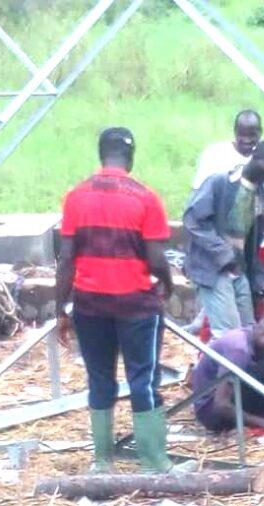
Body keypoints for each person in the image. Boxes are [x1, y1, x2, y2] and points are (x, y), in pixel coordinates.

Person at [56, 127, 193, 474]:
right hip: (135, 305)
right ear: (130, 158)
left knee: (99, 380)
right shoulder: (146, 198)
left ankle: (102, 462)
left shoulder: (75, 197)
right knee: (142, 379)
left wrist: (60, 307)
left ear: (101, 155)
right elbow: (157, 258)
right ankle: (154, 463)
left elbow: (67, 259)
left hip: (90, 304)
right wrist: (167, 284)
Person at [183, 141, 264, 338]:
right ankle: (210, 369)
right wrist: (223, 252)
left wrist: (261, 280)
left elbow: (254, 243)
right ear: (254, 158)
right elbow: (193, 221)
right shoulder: (220, 182)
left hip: (239, 270)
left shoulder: (260, 197)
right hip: (213, 268)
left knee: (249, 333)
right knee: (228, 336)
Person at [191, 315, 264, 435]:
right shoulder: (239, 350)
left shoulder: (250, 335)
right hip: (212, 412)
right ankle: (255, 420)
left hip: (227, 400)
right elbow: (221, 405)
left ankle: (258, 414)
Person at [192, 109, 264, 190]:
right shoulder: (214, 154)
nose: (246, 140)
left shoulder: (263, 160)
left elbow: (263, 196)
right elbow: (198, 191)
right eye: (242, 134)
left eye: (252, 135)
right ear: (235, 132)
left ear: (260, 133)